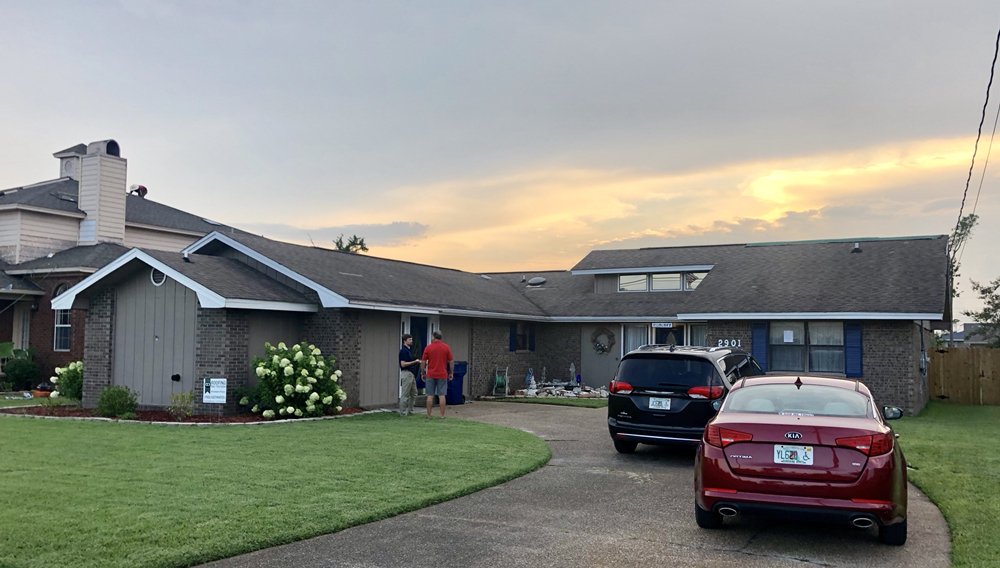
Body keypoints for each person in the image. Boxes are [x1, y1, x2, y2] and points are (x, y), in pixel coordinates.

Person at [421, 330, 454, 418]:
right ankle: (442, 415)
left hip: (431, 374)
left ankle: (429, 415)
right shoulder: (446, 347)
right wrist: (451, 372)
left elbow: (423, 361)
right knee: (442, 395)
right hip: (442, 374)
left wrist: (423, 372)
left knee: (430, 395)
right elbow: (451, 361)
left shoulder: (428, 347)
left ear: (434, 337)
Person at [398, 334, 421, 416]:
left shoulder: (408, 351)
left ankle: (411, 411)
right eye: (410, 339)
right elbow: (403, 364)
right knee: (405, 394)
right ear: (405, 341)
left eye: (411, 339)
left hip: (411, 374)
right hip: (406, 373)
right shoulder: (403, 351)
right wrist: (415, 362)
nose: (412, 341)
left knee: (414, 393)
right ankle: (403, 413)